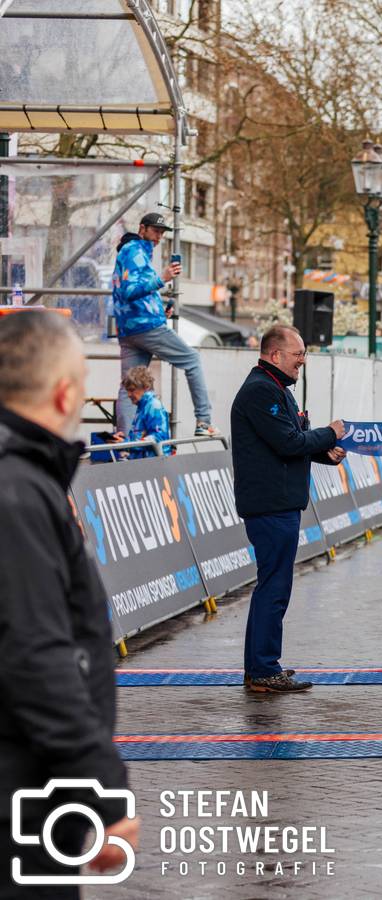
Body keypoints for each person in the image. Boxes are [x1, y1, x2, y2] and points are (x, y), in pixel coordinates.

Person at [0, 311, 138, 890]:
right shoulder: (19, 491)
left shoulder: (24, 482)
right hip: (19, 801)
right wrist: (103, 787)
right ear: (64, 393)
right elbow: (35, 651)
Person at [231, 325, 347, 694]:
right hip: (270, 505)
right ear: (274, 354)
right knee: (274, 588)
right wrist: (330, 433)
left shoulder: (275, 388)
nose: (303, 361)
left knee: (272, 586)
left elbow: (292, 441)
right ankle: (264, 669)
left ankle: (260, 667)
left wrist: (323, 453)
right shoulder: (261, 390)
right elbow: (286, 442)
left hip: (276, 502)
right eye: (297, 354)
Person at [111, 212, 218, 437]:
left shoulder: (133, 253)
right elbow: (129, 291)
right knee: (192, 360)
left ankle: (124, 438)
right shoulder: (134, 251)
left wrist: (161, 308)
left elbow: (136, 292)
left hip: (130, 329)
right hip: (145, 327)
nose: (158, 237)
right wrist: (163, 278)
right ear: (142, 229)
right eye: (155, 231)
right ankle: (203, 421)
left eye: (161, 233)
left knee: (129, 384)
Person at [111, 365, 171, 459]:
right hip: (145, 465)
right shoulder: (142, 407)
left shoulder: (154, 406)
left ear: (146, 387)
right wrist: (123, 440)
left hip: (154, 466)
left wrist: (126, 444)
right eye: (127, 391)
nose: (129, 394)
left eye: (132, 390)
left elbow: (158, 438)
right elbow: (139, 438)